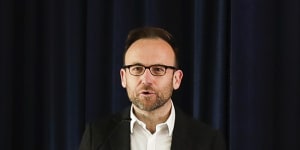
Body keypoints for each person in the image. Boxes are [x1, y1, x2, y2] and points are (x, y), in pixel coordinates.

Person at [79, 27, 226, 150]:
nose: (146, 79)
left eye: (158, 69)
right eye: (137, 68)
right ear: (123, 77)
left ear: (177, 79)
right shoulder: (96, 137)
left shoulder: (209, 141)